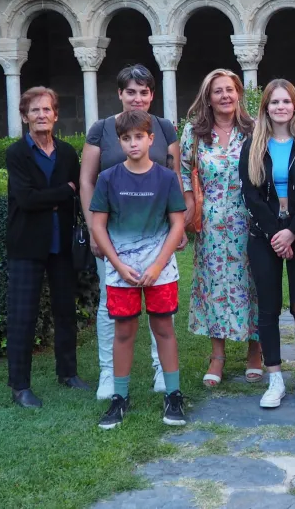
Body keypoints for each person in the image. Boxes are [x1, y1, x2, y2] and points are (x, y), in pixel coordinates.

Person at [80, 64, 183, 400]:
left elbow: (174, 175)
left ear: (152, 95)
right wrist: (94, 230)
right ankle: (108, 373)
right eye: (131, 92)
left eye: (144, 92)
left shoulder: (164, 128)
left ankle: (160, 369)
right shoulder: (102, 129)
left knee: (160, 306)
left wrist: (181, 222)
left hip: (156, 232)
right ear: (120, 94)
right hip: (113, 234)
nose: (137, 98)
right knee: (110, 302)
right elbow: (87, 180)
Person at [240, 79, 295, 408]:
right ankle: (275, 377)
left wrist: (291, 231)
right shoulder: (253, 144)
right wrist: (275, 234)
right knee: (268, 307)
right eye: (274, 102)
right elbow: (249, 193)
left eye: (286, 101)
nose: (280, 107)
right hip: (264, 235)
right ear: (266, 107)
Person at [4, 87, 86, 408]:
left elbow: (77, 192)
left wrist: (53, 196)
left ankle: (68, 373)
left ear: (56, 115)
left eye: (47, 109)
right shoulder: (16, 153)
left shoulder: (67, 153)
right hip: (26, 245)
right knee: (22, 316)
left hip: (61, 243)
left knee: (65, 312)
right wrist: (63, 191)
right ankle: (20, 386)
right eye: (34, 110)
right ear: (25, 117)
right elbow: (26, 199)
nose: (41, 115)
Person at [181, 69, 263, 387]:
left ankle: (255, 351)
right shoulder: (195, 132)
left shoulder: (254, 129)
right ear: (209, 98)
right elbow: (183, 171)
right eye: (218, 91)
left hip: (249, 220)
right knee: (214, 285)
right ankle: (217, 356)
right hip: (212, 223)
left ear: (238, 93)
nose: (225, 95)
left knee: (252, 283)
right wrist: (189, 208)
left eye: (230, 89)